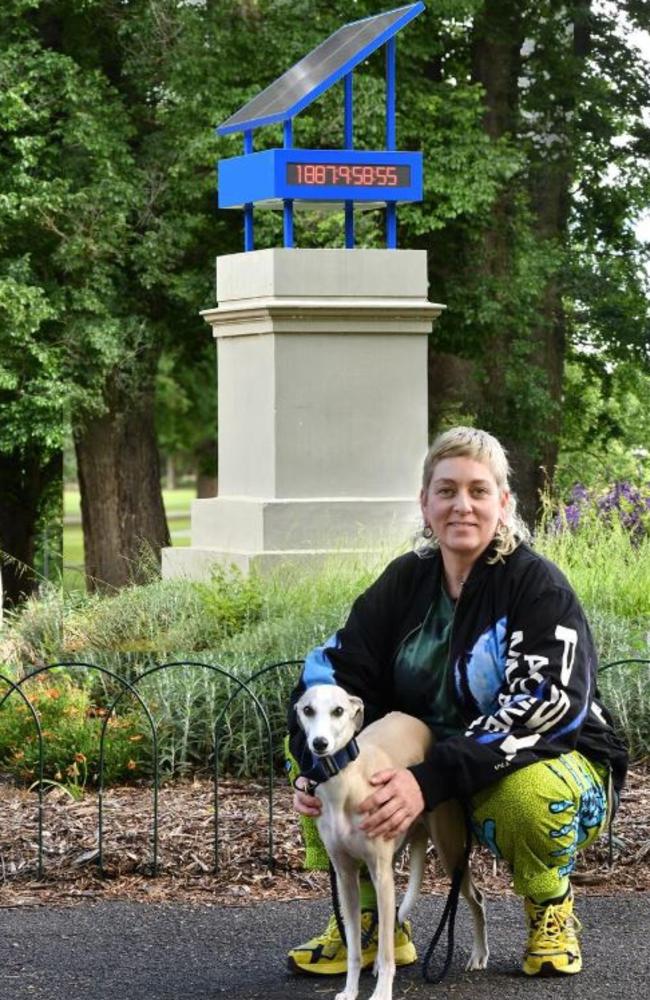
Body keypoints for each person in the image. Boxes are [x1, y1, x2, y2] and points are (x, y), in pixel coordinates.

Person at [285, 426, 628, 978]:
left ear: (504, 502)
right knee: (317, 738)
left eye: (478, 490)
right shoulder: (405, 582)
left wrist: (429, 778)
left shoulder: (538, 588)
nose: (461, 506)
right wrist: (311, 765)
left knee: (527, 793)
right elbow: (332, 672)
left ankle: (549, 906)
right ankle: (373, 924)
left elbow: (545, 706)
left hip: (545, 760)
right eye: (446, 491)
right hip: (428, 759)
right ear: (425, 503)